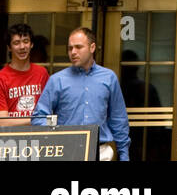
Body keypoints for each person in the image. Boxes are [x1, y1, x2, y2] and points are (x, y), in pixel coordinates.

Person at [31, 27, 130, 160]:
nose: (73, 52)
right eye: (70, 48)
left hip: (101, 152)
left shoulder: (109, 78)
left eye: (78, 47)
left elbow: (118, 119)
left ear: (92, 47)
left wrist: (124, 155)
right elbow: (39, 117)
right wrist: (58, 137)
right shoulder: (57, 80)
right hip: (66, 151)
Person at [0, 24, 49, 120]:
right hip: (11, 134)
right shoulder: (2, 77)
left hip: (39, 134)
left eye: (26, 41)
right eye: (16, 43)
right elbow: (2, 122)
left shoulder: (42, 73)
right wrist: (36, 120)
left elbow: (49, 109)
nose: (22, 47)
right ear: (9, 47)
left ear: (31, 44)